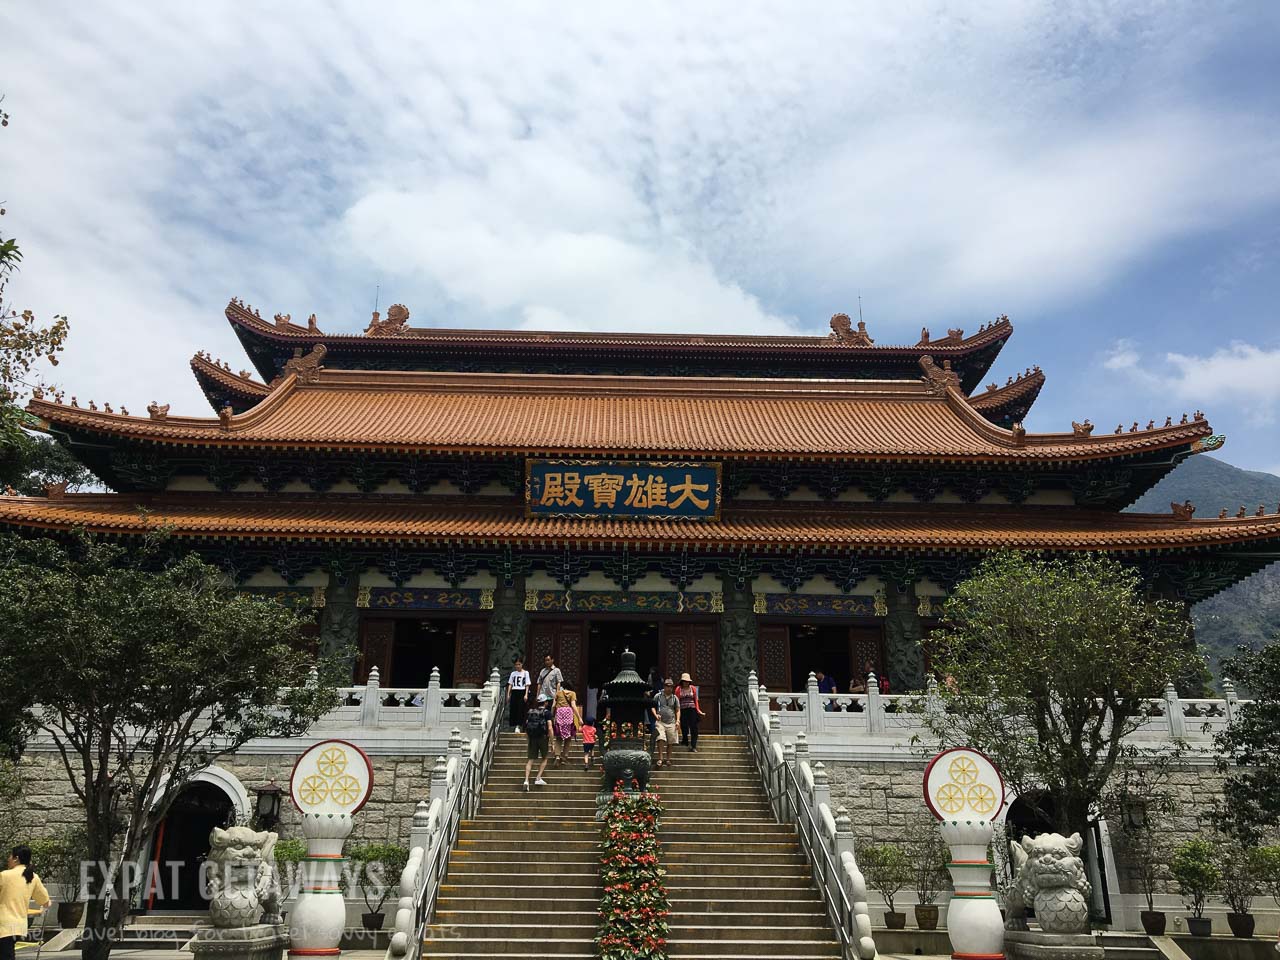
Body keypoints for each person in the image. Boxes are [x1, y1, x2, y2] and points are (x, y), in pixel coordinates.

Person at [1, 846, 49, 960]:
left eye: (10, 856)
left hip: (3, 926)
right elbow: (45, 901)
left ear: (16, 858)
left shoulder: (4, 875)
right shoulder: (33, 877)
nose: (8, 859)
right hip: (19, 927)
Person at [523, 694, 552, 790]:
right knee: (545, 758)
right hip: (543, 737)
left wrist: (528, 738)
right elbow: (550, 727)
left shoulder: (531, 712)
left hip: (532, 737)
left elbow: (527, 725)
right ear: (546, 703)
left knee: (530, 760)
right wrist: (552, 742)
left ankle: (526, 780)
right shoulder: (547, 713)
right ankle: (538, 777)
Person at [651, 678, 680, 768]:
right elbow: (652, 707)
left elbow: (678, 710)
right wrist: (656, 715)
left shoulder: (675, 698)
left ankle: (668, 759)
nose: (669, 688)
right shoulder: (658, 696)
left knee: (670, 741)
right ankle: (660, 758)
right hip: (660, 721)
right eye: (667, 686)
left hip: (671, 722)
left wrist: (678, 720)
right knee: (660, 738)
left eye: (671, 687)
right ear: (664, 686)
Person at [674, 672, 705, 753]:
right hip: (683, 709)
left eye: (687, 681)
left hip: (692, 709)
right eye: (684, 681)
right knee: (684, 726)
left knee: (694, 727)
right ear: (682, 681)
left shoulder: (693, 688)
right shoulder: (678, 689)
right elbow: (676, 701)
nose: (686, 683)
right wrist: (676, 711)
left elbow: (695, 700)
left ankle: (693, 745)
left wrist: (698, 710)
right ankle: (685, 740)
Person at [552, 682, 581, 765]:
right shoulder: (572, 693)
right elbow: (573, 706)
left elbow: (553, 705)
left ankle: (557, 756)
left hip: (559, 714)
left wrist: (552, 715)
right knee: (568, 737)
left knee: (558, 737)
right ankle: (564, 757)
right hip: (568, 715)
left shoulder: (558, 693)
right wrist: (579, 718)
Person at [507, 658, 531, 732]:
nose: (517, 666)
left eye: (519, 664)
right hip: (514, 691)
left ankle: (519, 725)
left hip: (522, 691)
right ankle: (514, 725)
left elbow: (527, 684)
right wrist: (508, 694)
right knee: (514, 708)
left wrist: (526, 694)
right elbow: (510, 684)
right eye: (516, 665)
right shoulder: (513, 673)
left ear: (522, 664)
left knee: (521, 709)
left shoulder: (525, 673)